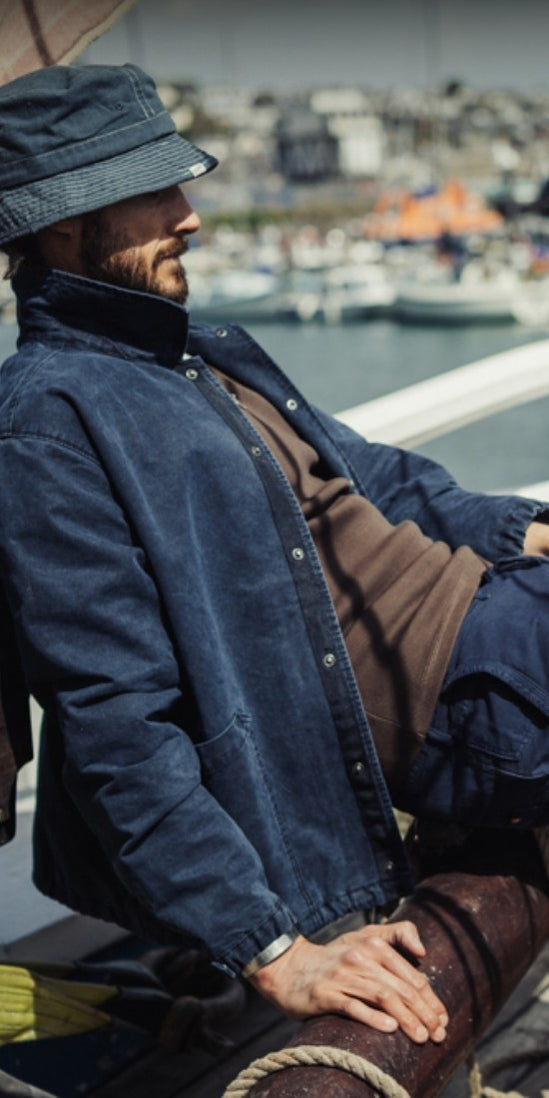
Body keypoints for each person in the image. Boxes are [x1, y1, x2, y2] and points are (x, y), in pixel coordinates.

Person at [0, 63, 548, 1049]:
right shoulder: (53, 422)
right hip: (475, 698)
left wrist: (525, 528)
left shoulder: (192, 354)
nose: (191, 218)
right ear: (62, 227)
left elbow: (378, 477)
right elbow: (116, 719)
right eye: (152, 194)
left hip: (505, 612)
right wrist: (272, 948)